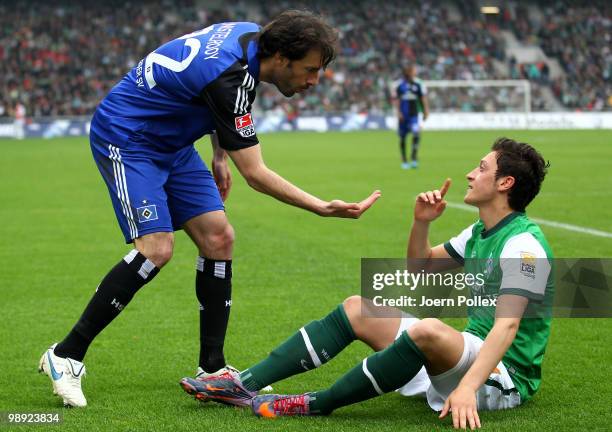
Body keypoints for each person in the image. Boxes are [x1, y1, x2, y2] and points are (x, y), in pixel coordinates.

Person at [38, 10, 380, 408]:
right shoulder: (230, 77)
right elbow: (255, 173)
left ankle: (213, 368)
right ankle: (66, 354)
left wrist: (219, 156)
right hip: (130, 137)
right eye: (309, 70)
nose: (313, 81)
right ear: (282, 57)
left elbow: (215, 98)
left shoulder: (251, 38)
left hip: (174, 141)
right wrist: (321, 207)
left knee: (219, 237)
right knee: (157, 248)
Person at [181, 138, 553, 430]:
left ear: (505, 183)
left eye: (482, 168)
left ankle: (316, 403)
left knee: (428, 331)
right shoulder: (479, 230)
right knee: (358, 307)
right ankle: (242, 383)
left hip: (501, 377)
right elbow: (420, 266)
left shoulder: (525, 246)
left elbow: (508, 325)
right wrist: (421, 222)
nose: (471, 174)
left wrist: (469, 388)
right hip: (467, 356)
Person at [396, 64, 429, 169]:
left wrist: (425, 111)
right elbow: (397, 100)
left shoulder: (417, 84)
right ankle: (404, 160)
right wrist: (398, 113)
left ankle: (414, 157)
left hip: (413, 115)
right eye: (413, 70)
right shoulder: (400, 85)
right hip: (403, 116)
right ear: (408, 72)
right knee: (402, 138)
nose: (415, 72)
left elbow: (423, 98)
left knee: (416, 134)